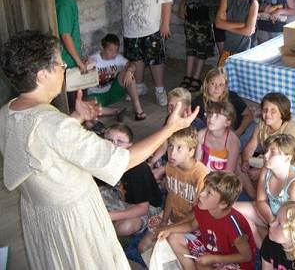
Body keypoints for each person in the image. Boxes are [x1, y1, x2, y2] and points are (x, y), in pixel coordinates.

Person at [0, 31, 199, 270]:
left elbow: (43, 146)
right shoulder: (54, 125)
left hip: (40, 212)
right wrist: (170, 128)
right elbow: (122, 160)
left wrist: (75, 117)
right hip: (71, 217)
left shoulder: (8, 111)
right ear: (43, 75)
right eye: (61, 64)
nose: (64, 69)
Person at [105, 0, 172, 106]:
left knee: (155, 60)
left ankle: (159, 89)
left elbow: (166, 2)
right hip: (131, 29)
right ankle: (140, 86)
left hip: (152, 28)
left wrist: (165, 24)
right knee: (136, 60)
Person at [157, 171, 256, 270]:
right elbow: (192, 225)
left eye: (209, 193)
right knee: (173, 237)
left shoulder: (233, 225)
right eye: (204, 188)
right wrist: (169, 230)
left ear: (223, 204)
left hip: (234, 261)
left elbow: (246, 256)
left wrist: (214, 259)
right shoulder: (203, 207)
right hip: (211, 250)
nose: (201, 194)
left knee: (204, 264)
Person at [234, 134, 295, 248]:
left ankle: (267, 247)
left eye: (272, 152)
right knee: (232, 210)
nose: (266, 156)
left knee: (285, 245)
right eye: (266, 151)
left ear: (288, 158)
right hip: (272, 217)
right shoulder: (267, 169)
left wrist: (276, 226)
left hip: (292, 227)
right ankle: (259, 236)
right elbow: (261, 201)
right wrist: (272, 221)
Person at [138, 127, 209, 254]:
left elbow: (197, 213)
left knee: (168, 246)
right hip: (173, 217)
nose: (172, 153)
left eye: (179, 148)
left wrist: (170, 228)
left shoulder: (200, 175)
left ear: (191, 151)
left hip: (193, 223)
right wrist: (165, 220)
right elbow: (171, 195)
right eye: (170, 146)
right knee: (143, 247)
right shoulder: (171, 166)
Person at [240, 92, 295, 199]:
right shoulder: (263, 124)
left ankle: (259, 194)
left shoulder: (292, 132)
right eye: (265, 110)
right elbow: (251, 145)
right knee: (238, 160)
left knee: (261, 175)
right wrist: (245, 161)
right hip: (270, 160)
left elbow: (287, 163)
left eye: (273, 111)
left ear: (282, 112)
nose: (267, 114)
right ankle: (253, 194)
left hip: (292, 168)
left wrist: (260, 172)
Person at [100, 124, 162, 236]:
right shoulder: (106, 159)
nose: (114, 145)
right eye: (109, 140)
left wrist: (111, 216)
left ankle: (111, 223)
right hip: (119, 198)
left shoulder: (138, 169)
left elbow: (143, 208)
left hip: (145, 207)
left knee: (125, 227)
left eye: (120, 141)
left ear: (131, 146)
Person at [178, 0, 215, 92]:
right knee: (191, 48)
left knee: (201, 49)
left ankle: (197, 77)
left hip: (203, 17)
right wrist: (181, 6)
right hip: (190, 17)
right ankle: (188, 75)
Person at [148, 87, 206, 181]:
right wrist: (152, 161)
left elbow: (192, 158)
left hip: (185, 165)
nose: (171, 109)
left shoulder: (197, 126)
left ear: (187, 108)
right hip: (170, 157)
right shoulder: (170, 119)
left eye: (176, 107)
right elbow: (164, 143)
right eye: (169, 105)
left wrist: (163, 169)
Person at [191, 67, 255, 147]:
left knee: (253, 127)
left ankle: (236, 150)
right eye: (213, 83)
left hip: (236, 132)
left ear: (225, 87)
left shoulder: (232, 97)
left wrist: (238, 133)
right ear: (206, 84)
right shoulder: (198, 102)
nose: (216, 88)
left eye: (221, 85)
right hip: (212, 136)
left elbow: (249, 115)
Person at [87, 33, 146, 121]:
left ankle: (138, 109)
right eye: (110, 50)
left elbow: (132, 64)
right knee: (87, 108)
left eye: (116, 50)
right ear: (102, 48)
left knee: (128, 74)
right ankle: (116, 111)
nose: (114, 53)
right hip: (96, 95)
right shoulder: (94, 59)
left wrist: (129, 71)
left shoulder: (118, 58)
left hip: (111, 92)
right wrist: (86, 64)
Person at [55, 0, 89, 110]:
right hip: (68, 60)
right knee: (75, 99)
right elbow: (65, 35)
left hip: (73, 55)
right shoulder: (64, 4)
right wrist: (78, 61)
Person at [215, 0, 259, 67]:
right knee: (222, 78)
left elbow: (248, 31)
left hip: (245, 51)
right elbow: (218, 23)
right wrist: (241, 25)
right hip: (227, 48)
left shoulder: (253, 3)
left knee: (241, 81)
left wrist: (227, 26)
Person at [196, 101, 240, 173]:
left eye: (217, 116)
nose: (211, 119)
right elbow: (197, 164)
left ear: (227, 122)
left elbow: (229, 172)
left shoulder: (233, 141)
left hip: (222, 180)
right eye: (210, 114)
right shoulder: (201, 135)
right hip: (203, 175)